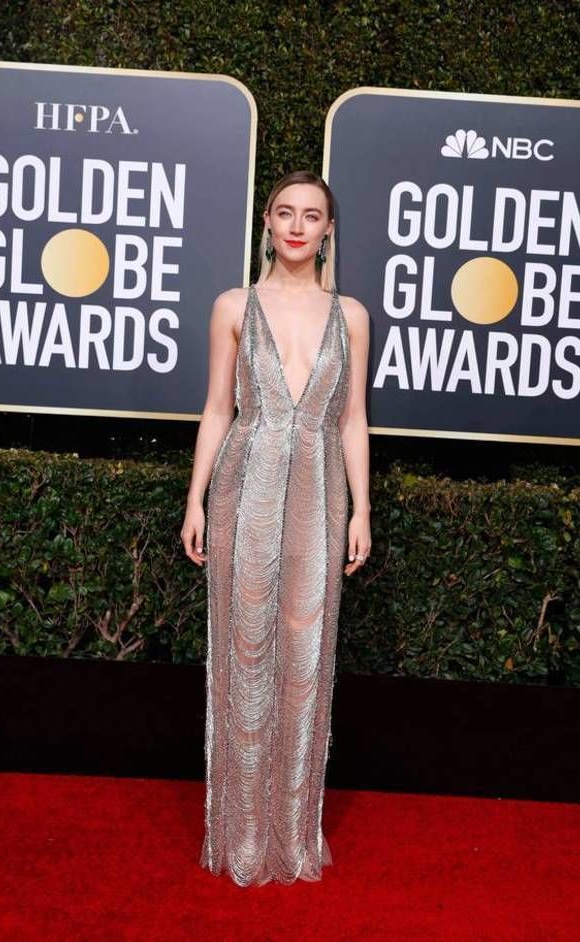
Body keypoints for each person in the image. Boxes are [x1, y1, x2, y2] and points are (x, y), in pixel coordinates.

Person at [182, 169, 371, 886]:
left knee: (307, 652)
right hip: (244, 485)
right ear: (267, 222)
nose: (297, 226)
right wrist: (196, 500)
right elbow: (217, 409)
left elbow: (352, 421)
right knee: (242, 649)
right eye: (285, 212)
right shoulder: (233, 306)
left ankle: (292, 832)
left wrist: (362, 508)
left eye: (311, 215)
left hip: (322, 491)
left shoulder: (352, 316)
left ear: (328, 230)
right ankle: (237, 832)